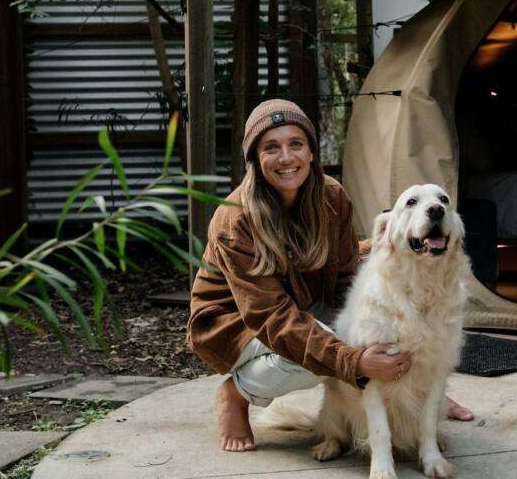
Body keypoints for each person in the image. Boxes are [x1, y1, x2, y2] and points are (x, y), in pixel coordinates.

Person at [187, 99, 473, 452]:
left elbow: (343, 281)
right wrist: (352, 361)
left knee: (384, 329)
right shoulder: (235, 221)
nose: (287, 158)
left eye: (296, 144)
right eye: (271, 148)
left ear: (311, 152)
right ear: (255, 160)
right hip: (236, 323)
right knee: (316, 357)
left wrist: (416, 376)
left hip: (303, 303)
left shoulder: (331, 196)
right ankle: (235, 394)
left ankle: (425, 399)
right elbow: (271, 318)